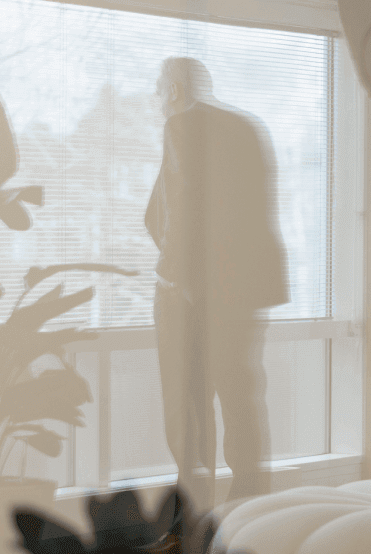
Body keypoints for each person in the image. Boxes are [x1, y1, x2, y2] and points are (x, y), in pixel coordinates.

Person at [145, 57, 287, 512]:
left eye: (157, 90)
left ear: (172, 91)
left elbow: (184, 208)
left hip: (193, 292)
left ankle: (192, 516)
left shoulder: (183, 126)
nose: (156, 101)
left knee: (186, 407)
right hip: (244, 292)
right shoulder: (247, 127)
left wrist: (174, 278)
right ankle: (249, 509)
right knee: (241, 398)